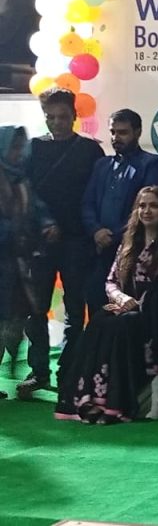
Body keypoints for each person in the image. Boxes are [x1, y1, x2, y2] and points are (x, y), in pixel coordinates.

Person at [55, 186, 158, 423]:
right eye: (142, 206)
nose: (147, 211)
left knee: (122, 325)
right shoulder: (129, 242)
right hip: (126, 307)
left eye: (154, 206)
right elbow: (111, 281)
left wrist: (136, 305)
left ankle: (115, 404)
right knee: (99, 321)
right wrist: (122, 299)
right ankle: (90, 399)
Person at [21, 88, 103, 398]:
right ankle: (39, 371)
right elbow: (25, 192)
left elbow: (96, 195)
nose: (56, 122)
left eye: (62, 116)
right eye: (50, 117)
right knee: (36, 310)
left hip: (78, 241)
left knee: (75, 310)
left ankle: (70, 371)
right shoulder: (33, 148)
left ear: (74, 116)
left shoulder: (90, 151)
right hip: (41, 242)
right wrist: (44, 223)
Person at [82, 109, 158, 313]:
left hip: (132, 249)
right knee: (95, 299)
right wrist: (96, 231)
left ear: (138, 132)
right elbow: (87, 203)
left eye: (122, 132)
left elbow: (148, 208)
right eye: (113, 132)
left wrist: (115, 236)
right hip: (99, 248)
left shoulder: (151, 164)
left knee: (124, 309)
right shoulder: (102, 165)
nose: (116, 137)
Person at [0, 126, 57, 399]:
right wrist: (15, 232)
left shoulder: (22, 180)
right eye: (13, 147)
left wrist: (47, 224)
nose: (18, 153)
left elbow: (37, 208)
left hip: (19, 267)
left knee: (20, 319)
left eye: (20, 147)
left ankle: (33, 370)